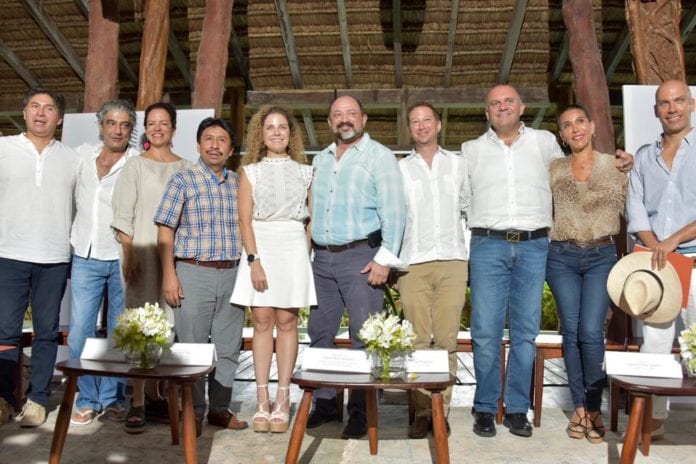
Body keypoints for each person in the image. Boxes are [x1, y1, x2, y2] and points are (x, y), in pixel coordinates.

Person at [461, 85, 632, 439]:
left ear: (522, 107)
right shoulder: (470, 150)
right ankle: (485, 407)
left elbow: (577, 171)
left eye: (509, 101)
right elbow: (462, 199)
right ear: (487, 112)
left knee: (525, 332)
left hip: (535, 246)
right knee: (485, 331)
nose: (502, 107)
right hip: (488, 245)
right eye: (495, 103)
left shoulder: (545, 143)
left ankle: (517, 408)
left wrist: (620, 163)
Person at [307, 95, 406, 439]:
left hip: (362, 258)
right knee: (319, 332)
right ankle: (325, 403)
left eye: (351, 113)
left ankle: (361, 411)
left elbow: (395, 211)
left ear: (363, 119)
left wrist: (384, 259)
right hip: (322, 259)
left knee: (365, 336)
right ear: (329, 122)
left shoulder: (380, 156)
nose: (344, 119)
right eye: (337, 114)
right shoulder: (320, 159)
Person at [155, 117, 248, 436]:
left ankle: (220, 409)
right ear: (198, 145)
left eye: (222, 140)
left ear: (231, 149)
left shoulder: (239, 183)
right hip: (193, 272)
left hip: (233, 273)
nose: (214, 145)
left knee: (229, 347)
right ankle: (193, 410)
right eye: (208, 139)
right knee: (192, 347)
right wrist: (169, 275)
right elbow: (165, 230)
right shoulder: (182, 180)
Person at [230, 106, 315, 434]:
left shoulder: (306, 172)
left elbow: (310, 220)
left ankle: (283, 398)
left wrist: (303, 254)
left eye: (282, 127)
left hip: (293, 246)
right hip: (261, 246)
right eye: (270, 127)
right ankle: (262, 400)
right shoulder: (250, 172)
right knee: (262, 321)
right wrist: (254, 260)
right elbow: (244, 219)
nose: (276, 132)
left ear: (291, 134)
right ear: (260, 134)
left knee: (288, 322)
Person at [545, 104, 627, 443]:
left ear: (592, 127)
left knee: (592, 332)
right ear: (562, 135)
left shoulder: (617, 165)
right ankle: (579, 408)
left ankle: (594, 407)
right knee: (572, 330)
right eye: (567, 125)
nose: (575, 128)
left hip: (601, 256)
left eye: (580, 122)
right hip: (561, 256)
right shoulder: (554, 168)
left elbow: (636, 205)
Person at [112, 101, 192, 433]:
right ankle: (138, 400)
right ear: (145, 129)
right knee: (141, 325)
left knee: (171, 324)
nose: (158, 128)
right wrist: (129, 252)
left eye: (164, 123)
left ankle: (160, 395)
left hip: (178, 257)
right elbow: (122, 214)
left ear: (174, 128)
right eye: (152, 123)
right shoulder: (135, 166)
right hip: (142, 253)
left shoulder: (187, 168)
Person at [0, 87, 78, 427]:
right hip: (8, 254)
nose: (41, 113)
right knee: (5, 331)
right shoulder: (4, 148)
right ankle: (4, 399)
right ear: (24, 112)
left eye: (48, 108)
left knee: (47, 331)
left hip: (54, 257)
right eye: (34, 106)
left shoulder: (73, 159)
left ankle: (38, 399)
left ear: (59, 119)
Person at [625, 79, 696, 438]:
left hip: (693, 261)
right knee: (654, 343)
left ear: (692, 104)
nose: (672, 108)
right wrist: (657, 246)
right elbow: (635, 208)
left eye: (679, 101)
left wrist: (672, 241)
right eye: (665, 103)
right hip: (657, 263)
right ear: (655, 110)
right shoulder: (643, 156)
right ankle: (653, 420)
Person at [397, 102, 469, 439]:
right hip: (413, 263)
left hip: (453, 261)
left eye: (427, 119)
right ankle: (422, 412)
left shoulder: (459, 164)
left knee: (446, 340)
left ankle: (442, 411)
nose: (422, 125)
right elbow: (395, 218)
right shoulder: (400, 169)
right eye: (415, 121)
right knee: (416, 341)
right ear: (409, 128)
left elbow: (470, 207)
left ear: (439, 125)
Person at [68, 99, 140, 426]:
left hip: (122, 256)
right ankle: (86, 397)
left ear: (131, 130)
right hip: (85, 253)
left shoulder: (137, 162)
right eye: (112, 123)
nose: (118, 130)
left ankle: (112, 398)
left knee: (119, 331)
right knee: (80, 331)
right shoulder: (82, 156)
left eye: (125, 125)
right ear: (101, 126)